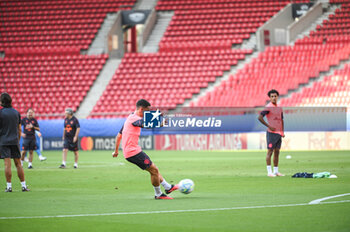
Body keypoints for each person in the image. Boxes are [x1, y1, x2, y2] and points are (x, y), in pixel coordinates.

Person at [112, 99, 178, 199]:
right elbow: (145, 124)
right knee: (154, 170)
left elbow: (118, 135)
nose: (148, 113)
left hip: (131, 151)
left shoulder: (130, 117)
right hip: (133, 152)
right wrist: (160, 124)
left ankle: (167, 187)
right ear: (141, 109)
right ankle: (158, 194)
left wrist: (116, 151)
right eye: (147, 111)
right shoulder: (134, 119)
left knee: (153, 169)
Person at [0, 92, 30, 192]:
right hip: (14, 141)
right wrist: (17, 140)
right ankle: (24, 186)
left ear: (2, 102)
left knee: (7, 164)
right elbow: (19, 129)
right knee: (18, 164)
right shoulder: (16, 113)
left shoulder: (1, 113)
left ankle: (9, 187)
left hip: (4, 141)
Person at [258, 89, 285, 177]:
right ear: (269, 98)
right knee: (270, 152)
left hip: (278, 133)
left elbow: (281, 120)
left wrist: (282, 131)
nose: (274, 98)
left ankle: (276, 171)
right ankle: (269, 172)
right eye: (272, 96)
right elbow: (260, 117)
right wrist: (268, 126)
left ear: (277, 97)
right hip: (271, 133)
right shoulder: (268, 107)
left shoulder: (279, 108)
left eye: (275, 96)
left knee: (277, 152)